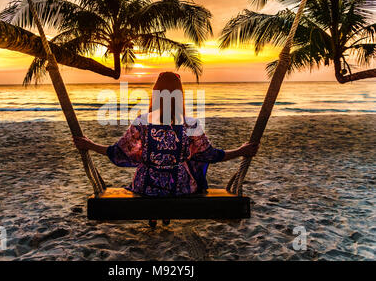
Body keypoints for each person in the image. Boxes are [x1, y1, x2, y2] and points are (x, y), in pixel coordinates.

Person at [74, 72, 259, 227]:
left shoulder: (142, 122)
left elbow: (119, 152)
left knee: (147, 172)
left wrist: (89, 145)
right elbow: (210, 154)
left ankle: (153, 215)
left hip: (146, 187)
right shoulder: (190, 124)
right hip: (180, 188)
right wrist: (241, 150)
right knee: (186, 167)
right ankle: (164, 213)